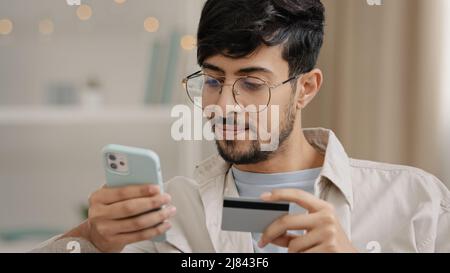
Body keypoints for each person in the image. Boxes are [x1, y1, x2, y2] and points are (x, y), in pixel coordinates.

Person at [32, 0, 449, 253]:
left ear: (305, 88)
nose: (224, 105)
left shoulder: (415, 202)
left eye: (251, 83)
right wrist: (90, 238)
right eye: (213, 80)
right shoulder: (171, 213)